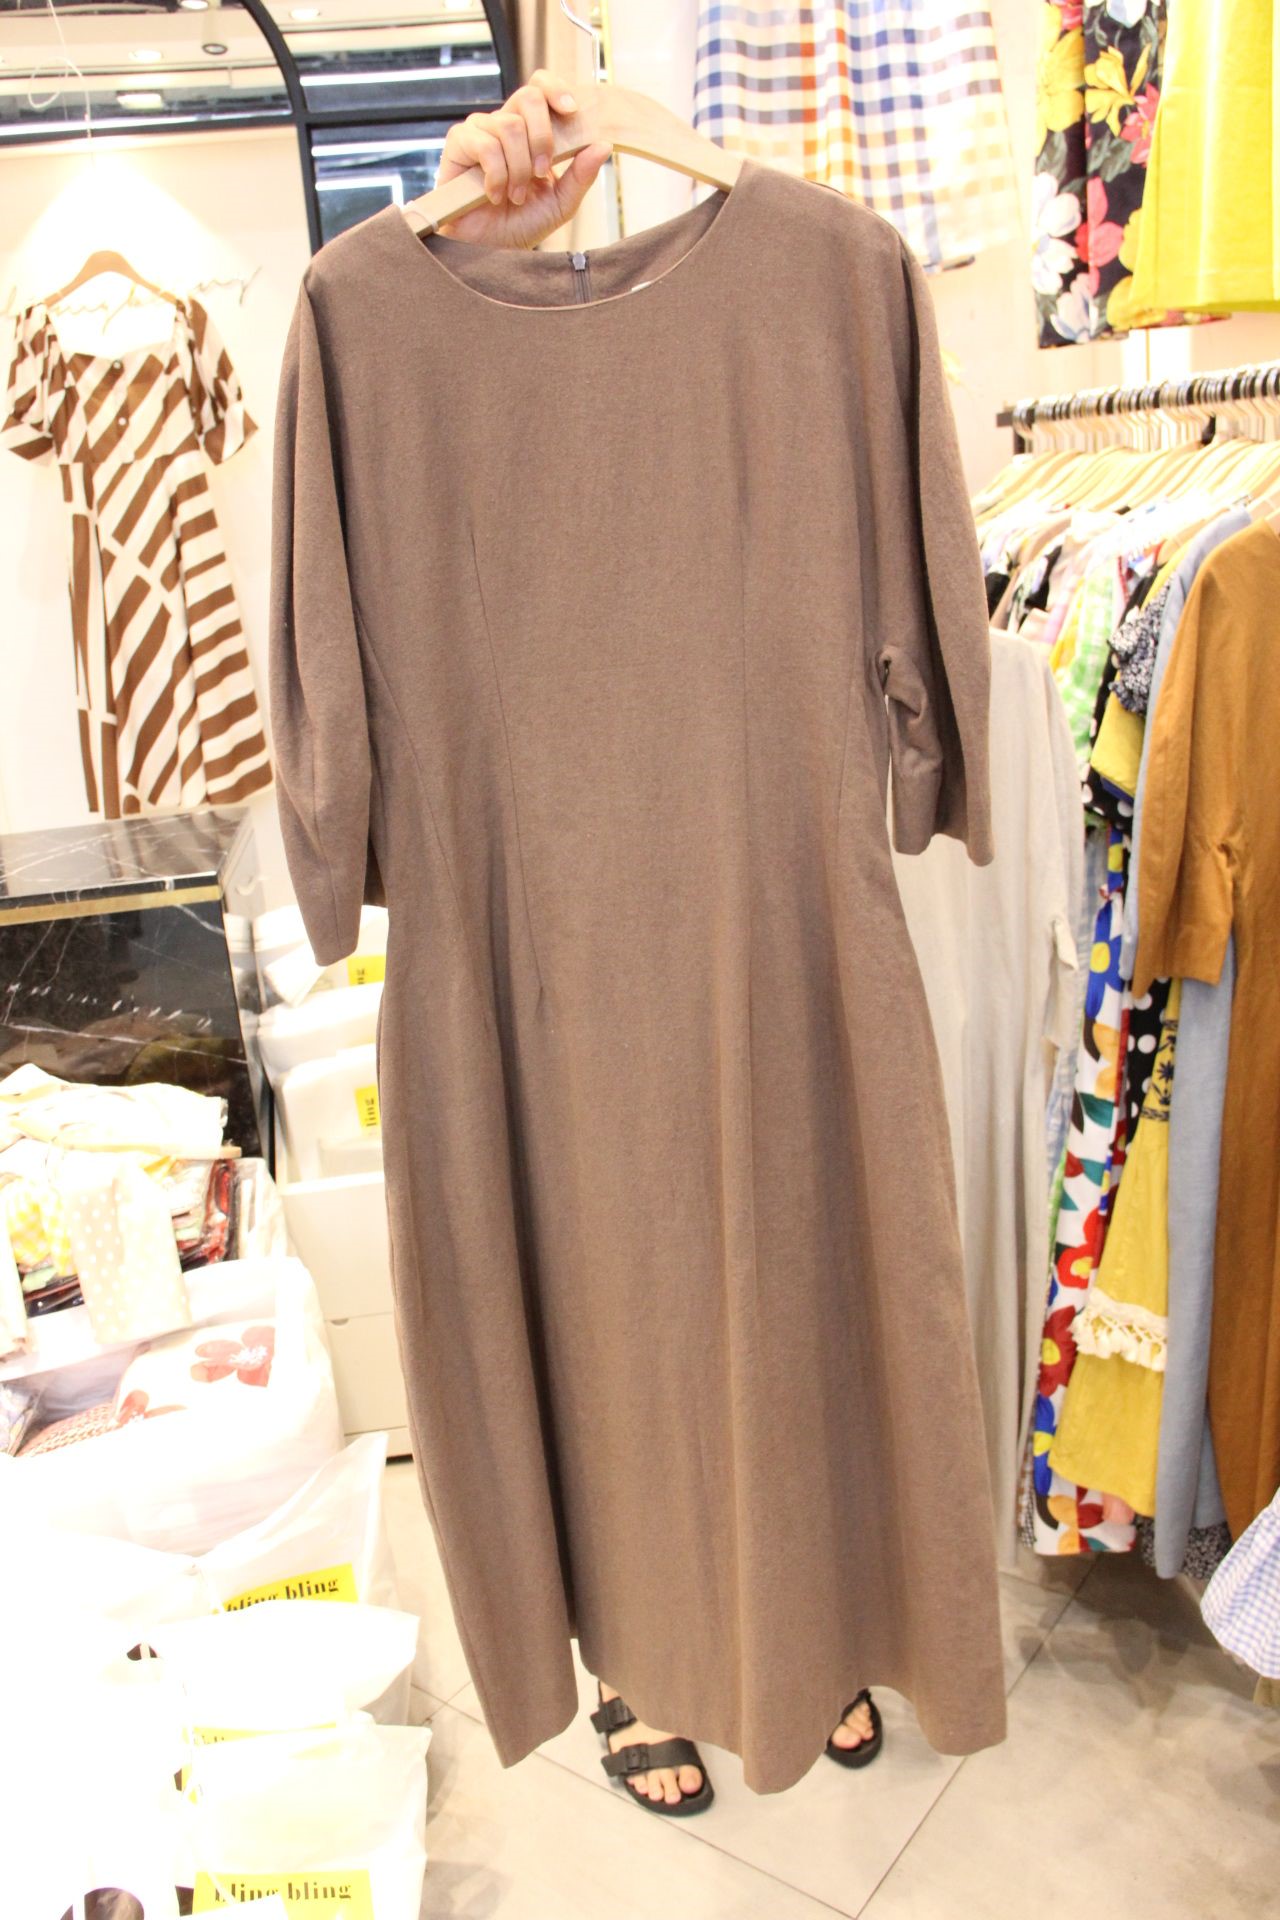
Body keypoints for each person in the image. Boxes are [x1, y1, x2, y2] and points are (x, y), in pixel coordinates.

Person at [428, 70, 884, 1816]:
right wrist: (489, 236)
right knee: (607, 1278)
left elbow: (911, 601)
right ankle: (639, 1652)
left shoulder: (832, 275)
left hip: (768, 869)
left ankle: (796, 1617)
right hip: (537, 908)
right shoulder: (372, 319)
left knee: (787, 1249)